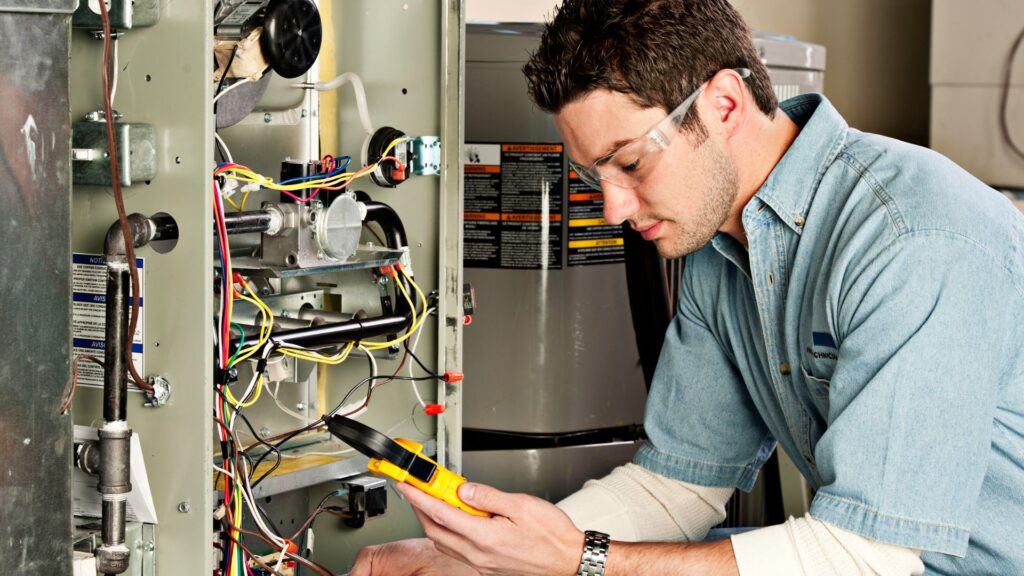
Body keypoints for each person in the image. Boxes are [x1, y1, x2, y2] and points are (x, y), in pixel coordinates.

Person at [352, 0, 1024, 574]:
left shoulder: (911, 238)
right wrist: (482, 560)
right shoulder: (720, 246)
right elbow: (678, 489)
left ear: (724, 103)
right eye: (594, 177)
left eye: (631, 163)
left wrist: (578, 559)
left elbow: (868, 557)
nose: (612, 208)